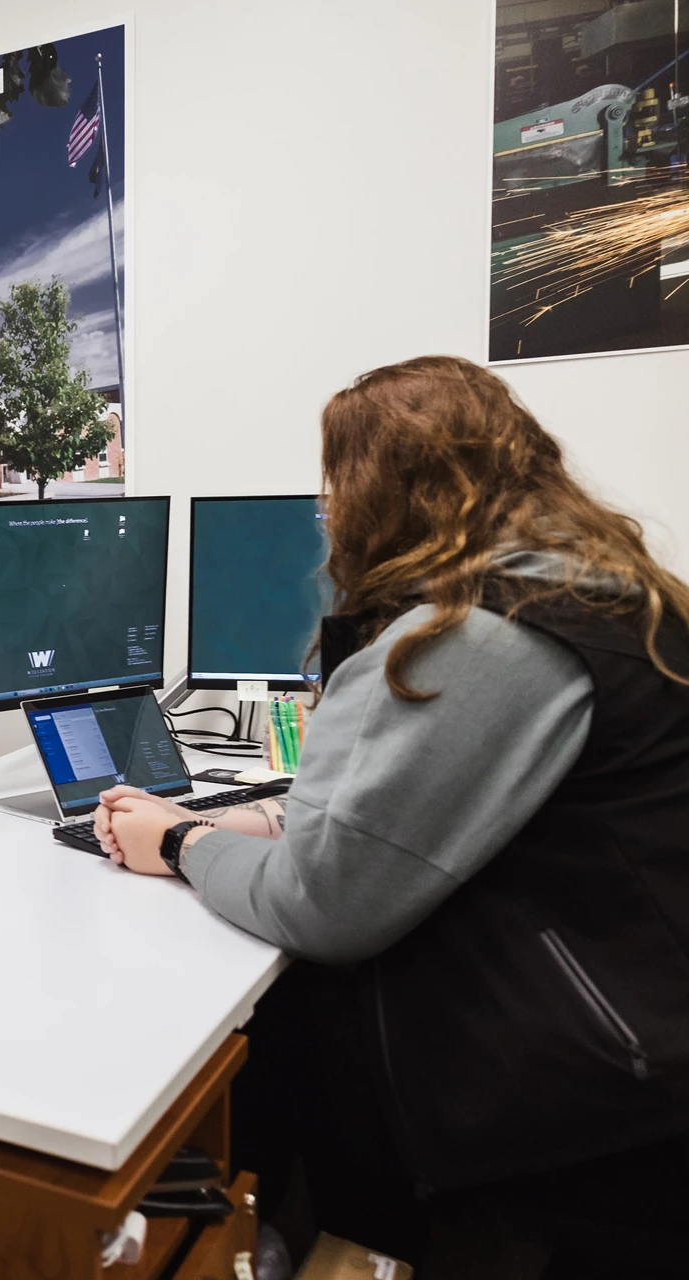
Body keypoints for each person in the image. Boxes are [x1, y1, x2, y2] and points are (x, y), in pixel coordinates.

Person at [94, 356, 689, 1274]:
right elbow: (449, 800)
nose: (329, 513)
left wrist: (176, 839)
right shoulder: (595, 592)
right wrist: (266, 817)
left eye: (337, 488)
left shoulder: (481, 638)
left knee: (261, 1023)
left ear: (381, 495)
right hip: (634, 1026)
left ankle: (215, 1235)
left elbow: (321, 907)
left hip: (581, 1108)